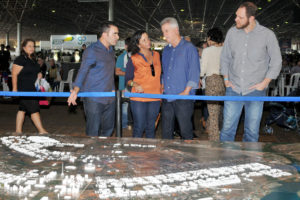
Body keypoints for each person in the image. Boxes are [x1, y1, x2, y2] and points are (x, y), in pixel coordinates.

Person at [220, 2, 282, 142]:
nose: (236, 19)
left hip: (256, 90)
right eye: (236, 16)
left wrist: (264, 83)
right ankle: (224, 160)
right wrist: (226, 79)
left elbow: (276, 61)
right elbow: (225, 57)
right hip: (233, 88)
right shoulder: (232, 33)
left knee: (252, 132)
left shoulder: (267, 35)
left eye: (240, 17)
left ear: (251, 18)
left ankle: (249, 161)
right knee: (227, 130)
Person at [67, 21, 119, 137]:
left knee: (108, 130)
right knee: (93, 132)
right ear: (105, 35)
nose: (117, 37)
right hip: (93, 98)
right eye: (115, 34)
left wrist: (113, 90)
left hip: (109, 98)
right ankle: (91, 153)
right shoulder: (91, 50)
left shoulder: (111, 51)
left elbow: (109, 74)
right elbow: (83, 71)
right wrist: (75, 91)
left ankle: (103, 154)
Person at [160, 17, 200, 140]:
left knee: (185, 130)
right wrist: (162, 86)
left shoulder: (189, 48)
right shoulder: (166, 50)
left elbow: (194, 71)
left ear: (176, 30)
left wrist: (186, 91)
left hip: (184, 96)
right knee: (166, 131)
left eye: (166, 31)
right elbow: (165, 71)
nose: (164, 35)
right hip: (167, 96)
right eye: (163, 32)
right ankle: (167, 156)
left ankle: (188, 158)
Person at [125, 30, 162, 138]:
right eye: (144, 40)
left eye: (148, 38)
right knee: (139, 126)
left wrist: (162, 86)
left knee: (151, 126)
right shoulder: (133, 58)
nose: (148, 41)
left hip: (155, 96)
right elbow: (128, 79)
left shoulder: (157, 55)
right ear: (138, 44)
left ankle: (150, 153)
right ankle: (136, 152)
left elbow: (160, 74)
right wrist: (135, 84)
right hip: (138, 97)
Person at [11, 38, 48, 134]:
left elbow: (34, 71)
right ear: (24, 47)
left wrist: (39, 74)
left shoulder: (32, 59)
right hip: (24, 88)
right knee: (34, 109)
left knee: (22, 109)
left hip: (32, 88)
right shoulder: (20, 59)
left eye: (33, 46)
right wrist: (14, 89)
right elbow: (14, 74)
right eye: (29, 46)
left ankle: (18, 131)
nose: (32, 48)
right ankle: (41, 131)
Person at [201, 27, 225, 141]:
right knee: (218, 111)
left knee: (213, 114)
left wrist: (199, 77)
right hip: (224, 82)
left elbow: (203, 69)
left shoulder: (207, 51)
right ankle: (210, 128)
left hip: (212, 82)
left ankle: (214, 141)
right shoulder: (225, 49)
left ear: (210, 38)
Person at [115, 37, 132, 130]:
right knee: (125, 106)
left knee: (132, 106)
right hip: (123, 86)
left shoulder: (136, 57)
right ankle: (124, 125)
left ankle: (130, 124)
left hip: (133, 86)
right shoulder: (121, 57)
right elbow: (117, 72)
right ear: (125, 46)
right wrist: (129, 74)